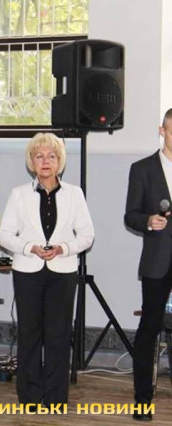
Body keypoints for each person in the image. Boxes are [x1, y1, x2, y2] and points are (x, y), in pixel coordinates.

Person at [0, 132, 94, 410]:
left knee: (58, 335)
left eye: (52, 156)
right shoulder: (19, 194)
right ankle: (29, 397)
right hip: (27, 271)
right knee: (29, 334)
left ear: (60, 161)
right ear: (31, 161)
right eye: (39, 156)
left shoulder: (74, 194)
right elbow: (4, 235)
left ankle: (55, 398)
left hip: (62, 272)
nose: (45, 161)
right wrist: (30, 247)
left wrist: (64, 248)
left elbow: (87, 235)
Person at [125, 108, 172, 422]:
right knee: (149, 330)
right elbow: (130, 215)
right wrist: (149, 220)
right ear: (162, 130)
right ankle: (142, 400)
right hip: (158, 262)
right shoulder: (142, 168)